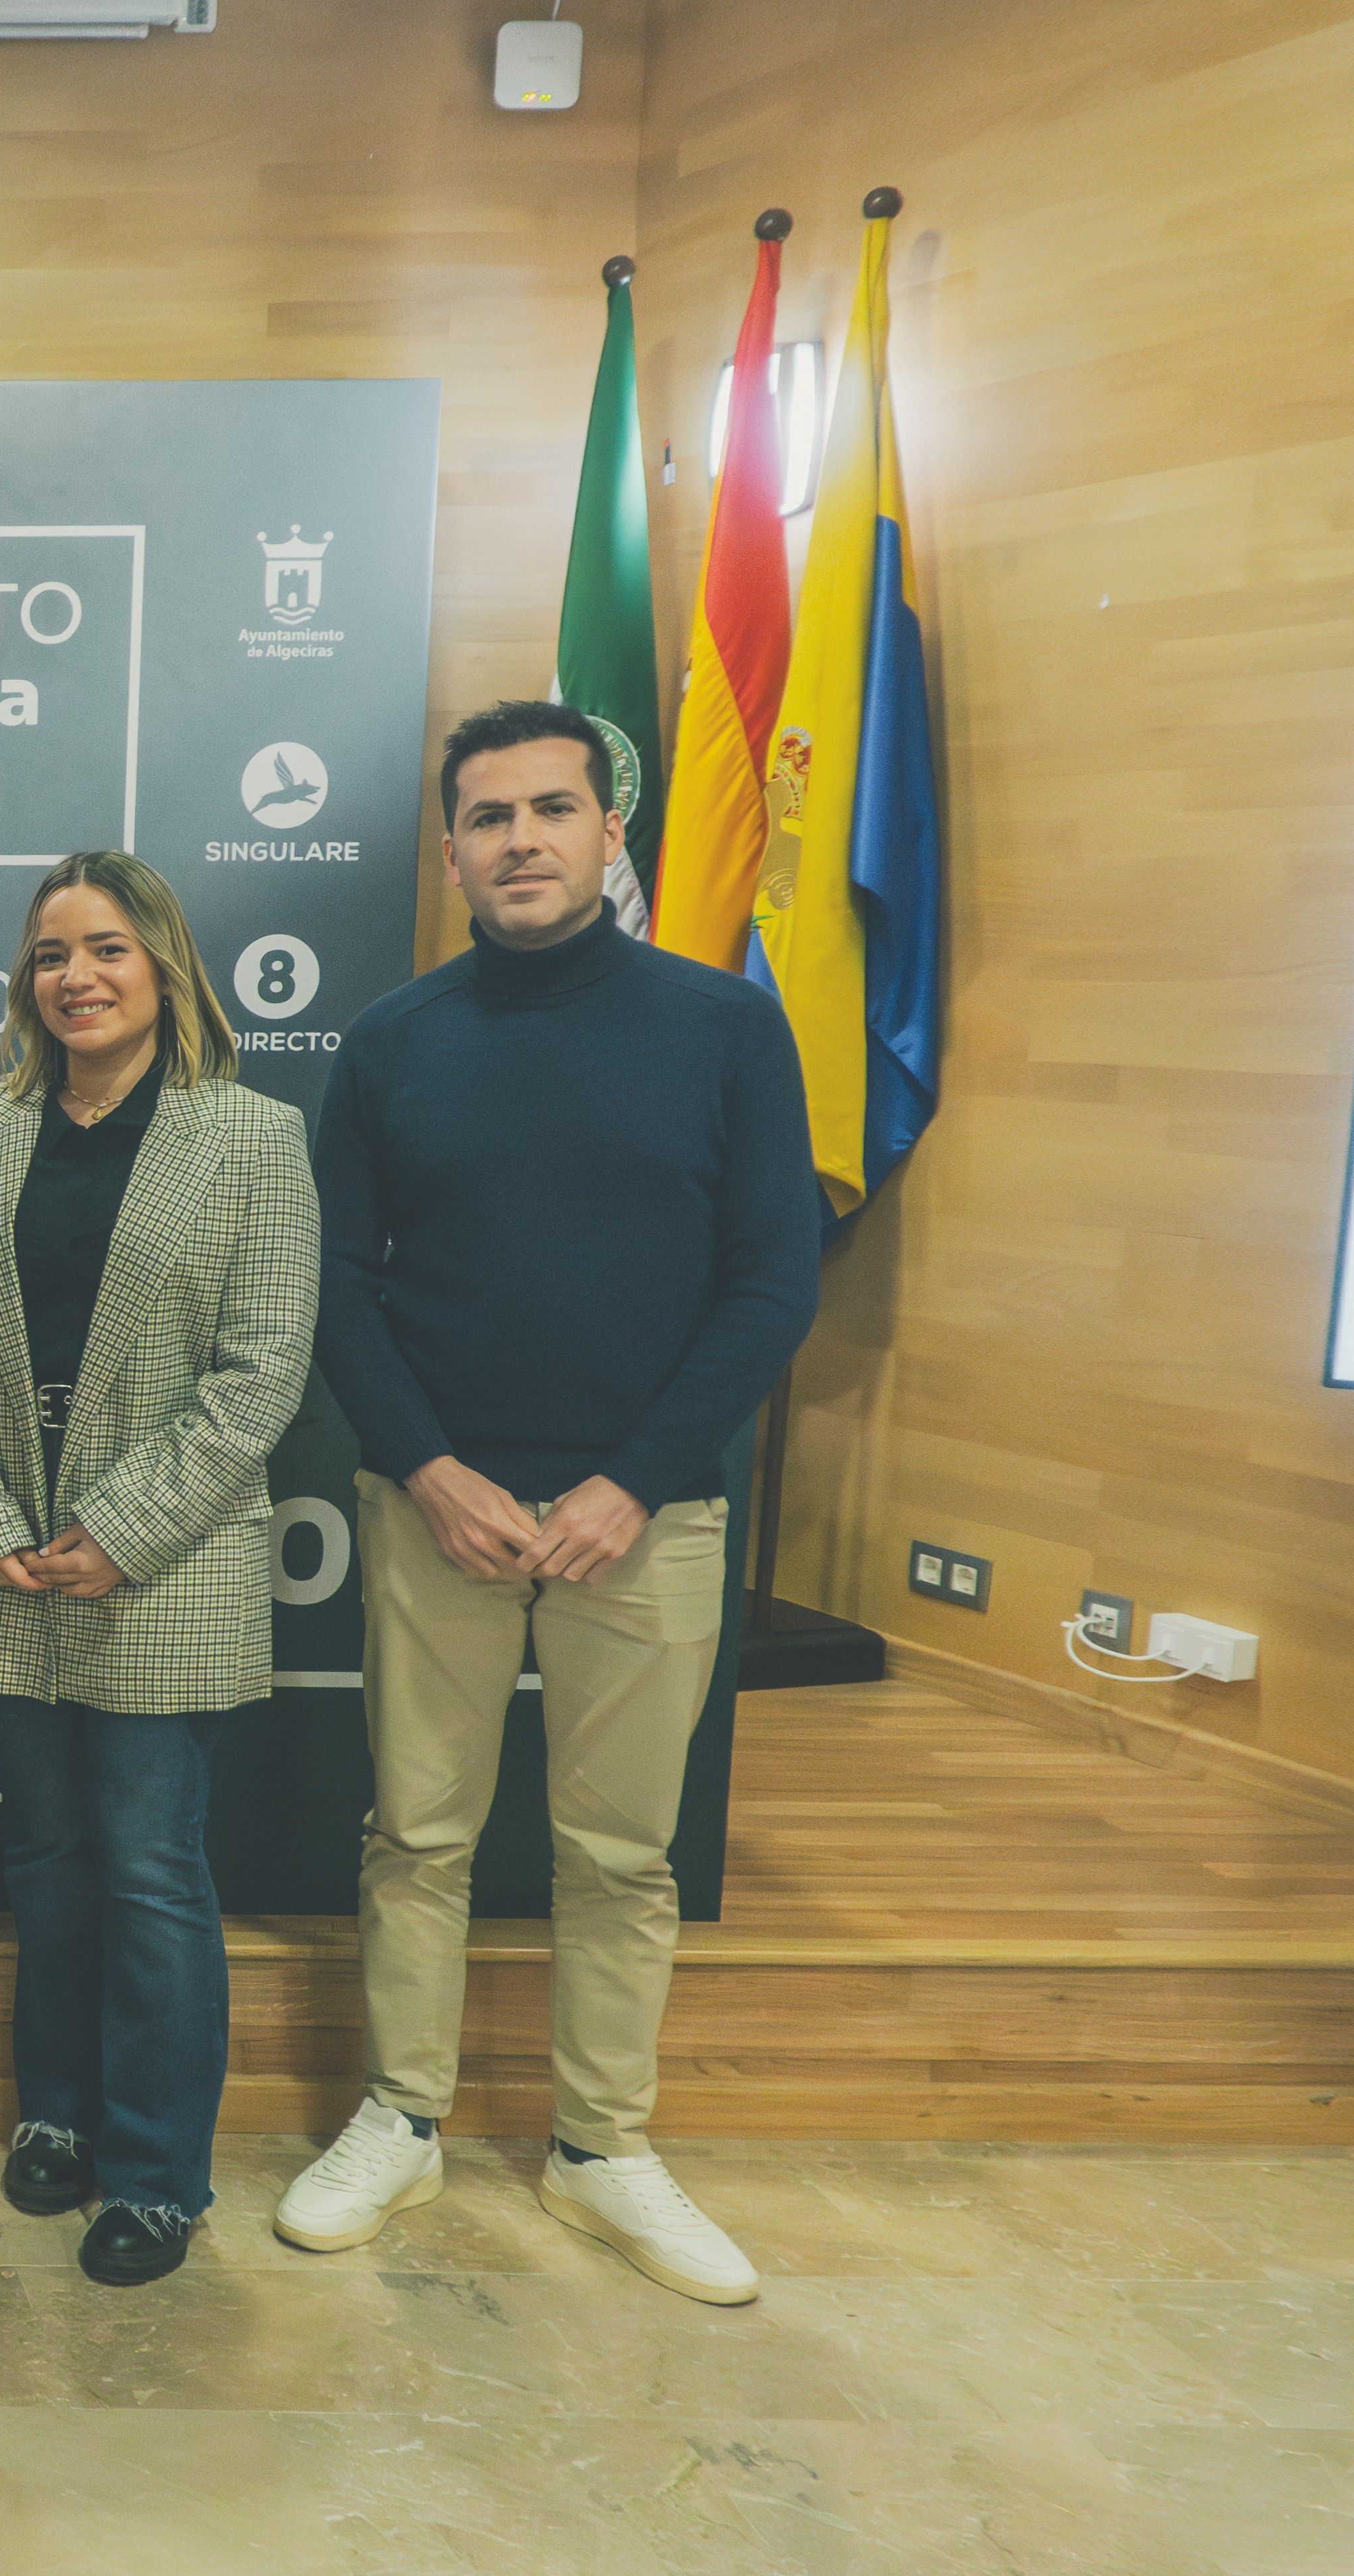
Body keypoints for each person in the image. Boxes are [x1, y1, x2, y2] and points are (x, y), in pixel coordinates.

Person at [274, 697, 819, 2306]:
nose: (521, 837)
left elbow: (773, 1279)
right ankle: (405, 2113)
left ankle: (604, 2150)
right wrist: (427, 1465)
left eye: (552, 809)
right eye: (490, 816)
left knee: (620, 1853)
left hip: (644, 1521)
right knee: (417, 1831)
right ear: (451, 853)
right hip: (434, 1505)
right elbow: (342, 1286)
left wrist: (634, 1481)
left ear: (608, 832)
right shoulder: (391, 1042)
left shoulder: (724, 1029)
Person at [0, 852, 316, 2288]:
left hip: (163, 1567)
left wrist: (118, 1530)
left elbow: (261, 1379)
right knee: (48, 1860)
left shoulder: (253, 1137)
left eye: (108, 949)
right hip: (8, 1563)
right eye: (51, 953)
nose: (75, 975)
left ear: (163, 966)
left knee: (148, 1869)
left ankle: (152, 2171)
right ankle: (56, 2116)